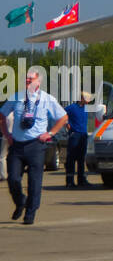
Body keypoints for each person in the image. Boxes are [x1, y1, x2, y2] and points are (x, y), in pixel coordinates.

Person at [1, 69, 68, 224]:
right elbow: (2, 115)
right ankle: (20, 202)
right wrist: (7, 134)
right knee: (13, 179)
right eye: (26, 79)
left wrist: (50, 133)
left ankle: (30, 213)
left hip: (36, 145)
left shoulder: (47, 99)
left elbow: (63, 117)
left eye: (31, 79)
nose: (28, 81)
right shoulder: (16, 97)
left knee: (34, 181)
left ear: (39, 81)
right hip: (17, 145)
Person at [64, 91, 91, 188]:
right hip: (74, 135)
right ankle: (69, 181)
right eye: (86, 99)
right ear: (81, 98)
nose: (88, 101)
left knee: (81, 159)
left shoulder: (86, 108)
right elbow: (61, 113)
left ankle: (81, 180)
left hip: (83, 135)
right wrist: (66, 124)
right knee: (71, 158)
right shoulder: (71, 108)